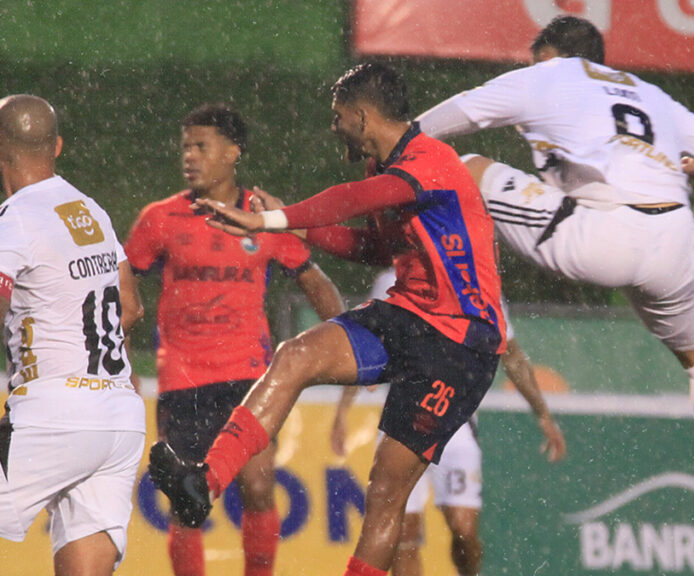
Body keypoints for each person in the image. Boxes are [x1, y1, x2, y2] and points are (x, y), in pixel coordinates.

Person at [416, 15, 694, 571]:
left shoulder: (548, 75)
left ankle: (443, 282)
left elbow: (455, 116)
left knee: (461, 169)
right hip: (673, 239)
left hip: (596, 234)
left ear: (550, 55)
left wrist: (395, 143)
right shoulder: (652, 95)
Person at [148, 62, 507, 576]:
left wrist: (270, 219)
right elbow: (376, 248)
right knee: (295, 355)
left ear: (361, 117)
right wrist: (294, 230)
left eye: (338, 117)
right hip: (407, 315)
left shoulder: (430, 160)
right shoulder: (384, 168)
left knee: (386, 494)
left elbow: (350, 201)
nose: (333, 127)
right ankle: (202, 483)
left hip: (459, 343)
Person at [122, 103, 344, 576]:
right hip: (182, 378)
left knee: (259, 488)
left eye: (201, 147)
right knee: (186, 502)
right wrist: (119, 358)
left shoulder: (262, 218)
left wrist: (352, 343)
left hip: (248, 375)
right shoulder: (160, 218)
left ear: (232, 153)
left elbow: (314, 280)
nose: (189, 156)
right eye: (186, 146)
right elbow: (122, 282)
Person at [331, 268, 566, 576]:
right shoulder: (392, 279)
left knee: (464, 531)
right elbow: (368, 345)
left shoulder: (480, 282)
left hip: (456, 426)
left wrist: (542, 414)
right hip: (403, 423)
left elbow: (511, 355)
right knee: (403, 533)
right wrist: (343, 410)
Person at [0, 94, 146, 575]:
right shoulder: (91, 211)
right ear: (56, 146)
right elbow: (130, 306)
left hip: (54, 415)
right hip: (119, 417)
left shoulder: (15, 219)